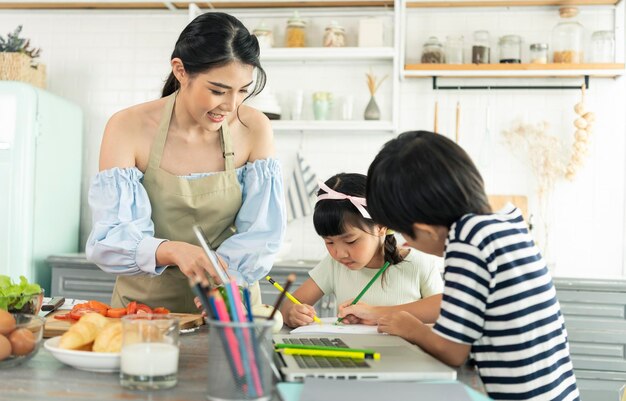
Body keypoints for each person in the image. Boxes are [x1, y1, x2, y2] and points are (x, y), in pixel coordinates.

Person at [86, 12, 286, 313]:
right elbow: (110, 237)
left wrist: (227, 281)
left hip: (228, 305)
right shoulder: (127, 127)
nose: (231, 106)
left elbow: (261, 234)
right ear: (180, 70)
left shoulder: (253, 128)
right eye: (218, 91)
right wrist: (172, 250)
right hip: (144, 312)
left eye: (242, 91)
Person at [363, 131, 579, 400]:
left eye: (406, 235)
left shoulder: (467, 238)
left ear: (426, 230)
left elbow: (453, 351)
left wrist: (411, 328)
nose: (407, 244)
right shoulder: (508, 222)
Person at [281, 173, 443, 328]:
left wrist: (376, 314)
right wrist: (291, 313)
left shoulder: (420, 263)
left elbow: (445, 314)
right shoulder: (333, 265)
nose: (339, 254)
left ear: (381, 226)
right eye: (329, 242)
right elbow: (288, 304)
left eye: (351, 241)